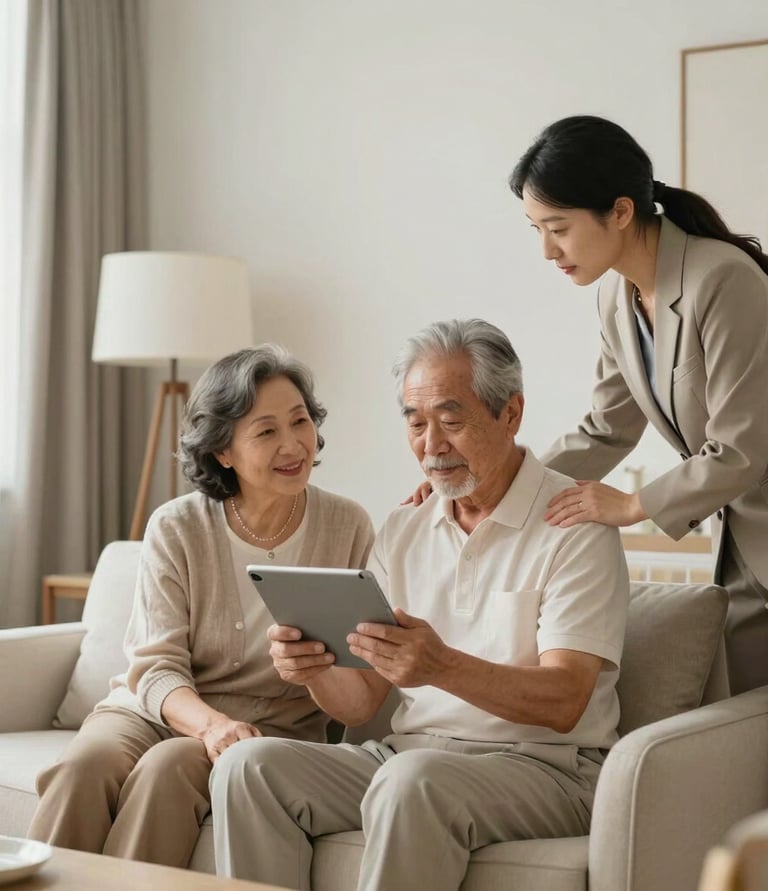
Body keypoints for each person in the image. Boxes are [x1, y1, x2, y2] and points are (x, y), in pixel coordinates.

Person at [210, 319, 629, 891]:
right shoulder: (405, 527)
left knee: (413, 779)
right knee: (246, 768)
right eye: (415, 423)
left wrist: (441, 666)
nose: (431, 446)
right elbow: (359, 706)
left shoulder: (575, 524)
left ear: (511, 414)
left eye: (452, 422)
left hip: (545, 768)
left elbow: (566, 702)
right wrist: (312, 671)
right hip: (406, 758)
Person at [27, 345, 374, 867]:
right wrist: (211, 724)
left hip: (267, 728)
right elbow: (156, 665)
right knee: (85, 764)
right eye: (266, 431)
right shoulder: (177, 526)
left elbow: (357, 669)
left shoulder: (347, 526)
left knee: (170, 767)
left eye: (299, 421)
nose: (293, 444)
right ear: (223, 451)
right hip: (157, 709)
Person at [509, 114, 768, 694]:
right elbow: (604, 430)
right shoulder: (615, 298)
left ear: (620, 211)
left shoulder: (723, 280)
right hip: (744, 545)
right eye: (536, 229)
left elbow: (742, 450)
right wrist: (498, 487)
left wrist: (633, 505)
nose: (548, 250)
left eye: (559, 227)